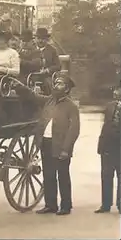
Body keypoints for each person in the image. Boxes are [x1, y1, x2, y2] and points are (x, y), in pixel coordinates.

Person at [13, 75, 80, 216]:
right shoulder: (49, 100)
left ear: (67, 89)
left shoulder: (71, 107)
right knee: (48, 175)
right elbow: (34, 96)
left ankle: (66, 206)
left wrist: (66, 150)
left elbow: (74, 130)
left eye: (60, 84)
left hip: (61, 146)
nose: (56, 86)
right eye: (56, 83)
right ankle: (51, 205)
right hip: (46, 143)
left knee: (62, 176)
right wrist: (20, 86)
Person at [95, 83, 121, 214]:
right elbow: (105, 127)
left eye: (120, 90)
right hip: (108, 147)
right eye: (116, 90)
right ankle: (106, 205)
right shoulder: (110, 106)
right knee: (106, 175)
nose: (116, 92)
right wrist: (101, 145)